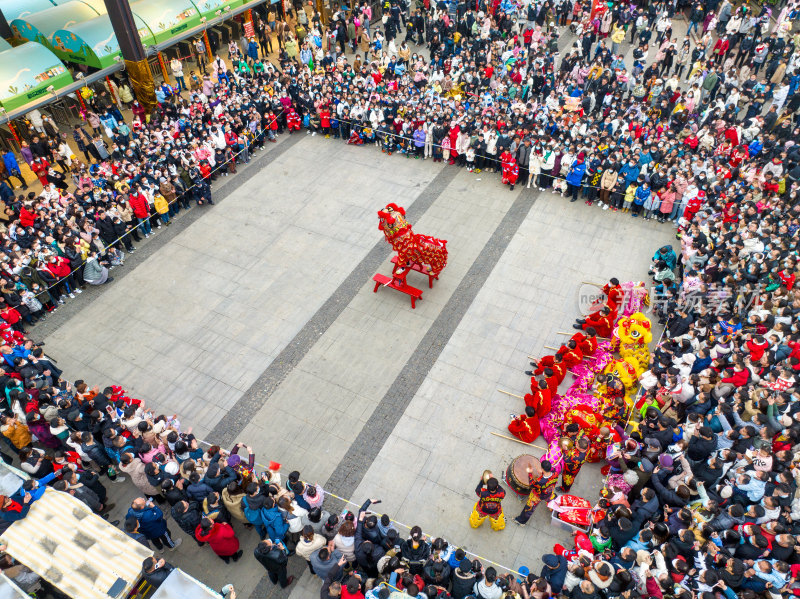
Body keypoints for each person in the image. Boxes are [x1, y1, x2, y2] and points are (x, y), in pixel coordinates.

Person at [514, 460, 558, 526]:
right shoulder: (555, 473)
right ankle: (556, 511)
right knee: (552, 499)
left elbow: (532, 485)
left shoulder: (540, 481)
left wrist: (530, 473)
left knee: (529, 508)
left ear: (542, 469)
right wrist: (542, 473)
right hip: (549, 492)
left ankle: (521, 521)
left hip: (538, 496)